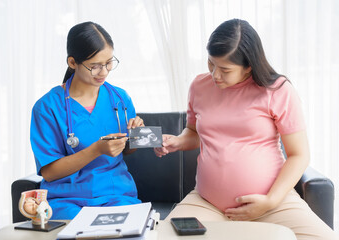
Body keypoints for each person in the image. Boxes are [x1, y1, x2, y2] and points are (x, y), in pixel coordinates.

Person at [154, 19, 337, 240]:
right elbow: (193, 133)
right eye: (211, 64)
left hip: (272, 203)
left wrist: (270, 200)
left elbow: (299, 155)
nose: (215, 75)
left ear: (249, 66)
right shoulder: (199, 87)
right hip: (208, 203)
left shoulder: (278, 90)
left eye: (225, 69)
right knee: (163, 237)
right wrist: (177, 142)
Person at [30, 21, 144, 220]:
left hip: (115, 195)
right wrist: (97, 149)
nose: (104, 72)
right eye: (95, 66)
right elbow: (49, 172)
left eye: (109, 63)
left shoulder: (120, 99)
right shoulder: (47, 107)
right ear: (73, 63)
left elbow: (128, 150)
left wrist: (136, 135)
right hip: (67, 199)